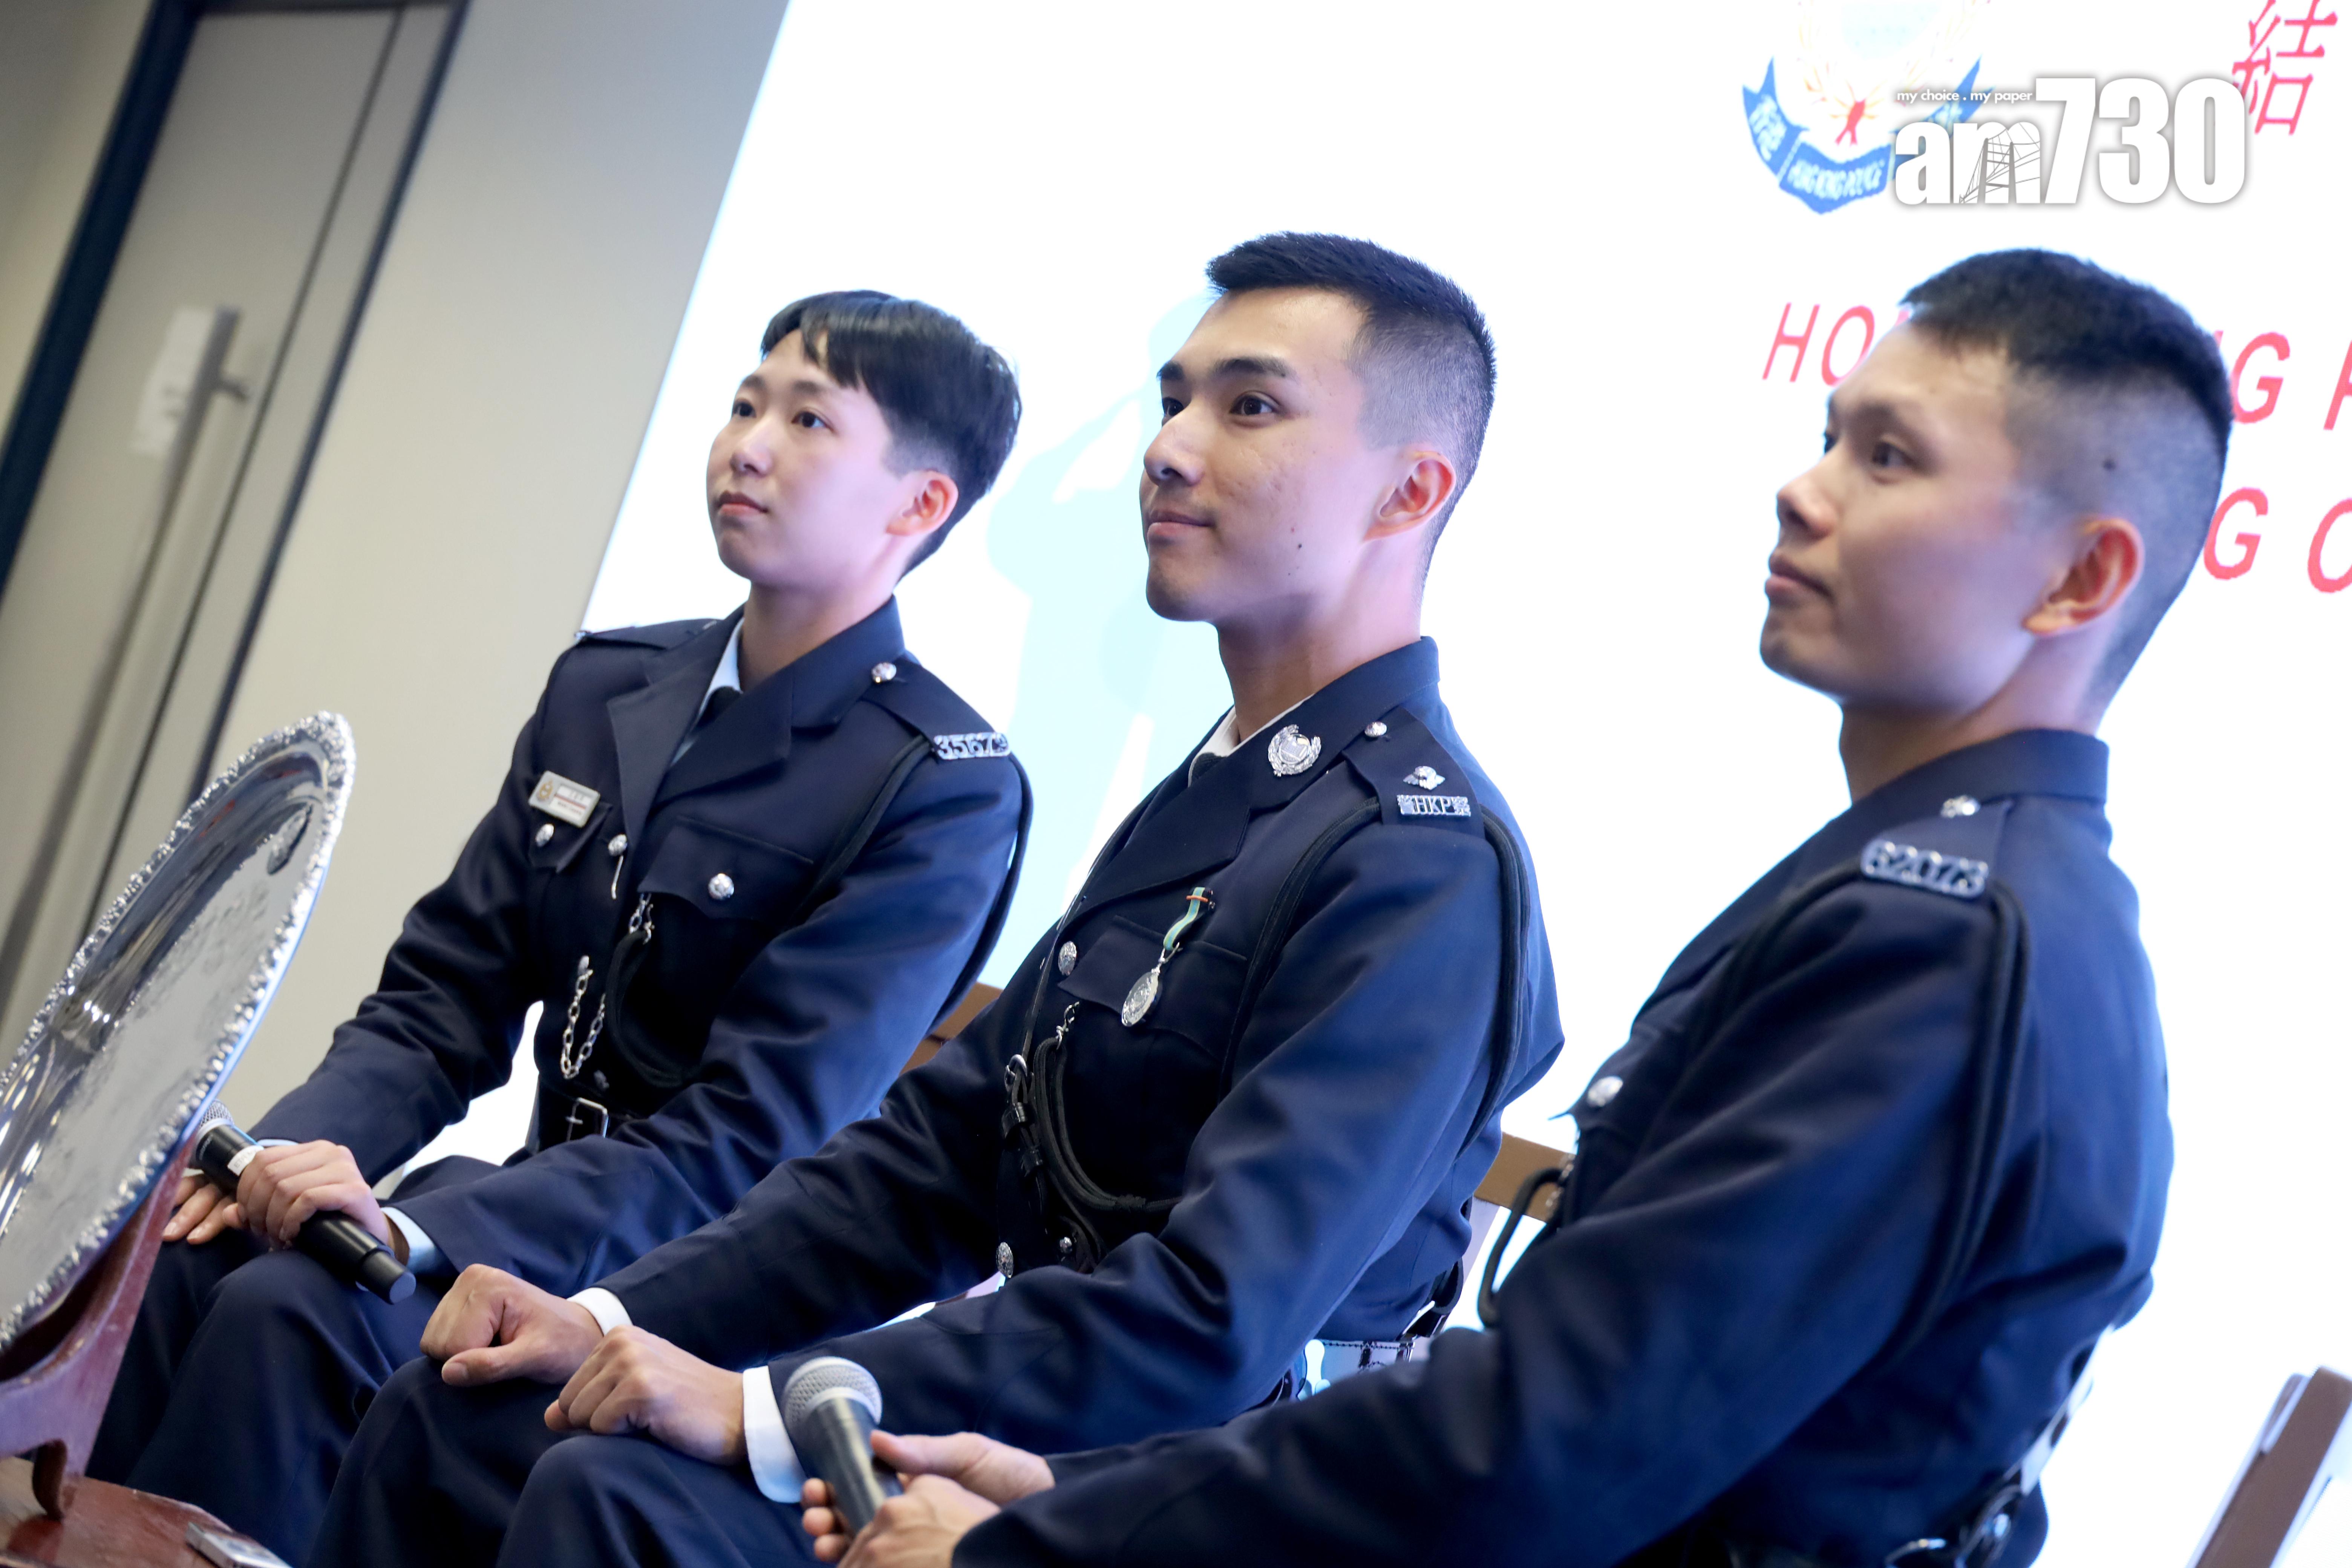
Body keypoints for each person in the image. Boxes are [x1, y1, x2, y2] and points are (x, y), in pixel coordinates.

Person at [800, 248, 2221, 1568]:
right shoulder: (1962, 893)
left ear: (2081, 577)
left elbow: (1546, 1445)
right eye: (1831, 437)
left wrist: (1032, 1551)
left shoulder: (1938, 939)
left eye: (1891, 457)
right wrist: (1078, 1500)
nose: (1804, 490)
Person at [305, 231, 1564, 1568]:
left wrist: (758, 1405)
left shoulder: (1420, 866)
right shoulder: (1223, 795)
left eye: (1248, 406)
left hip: (1180, 1505)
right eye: (1172, 401)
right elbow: (924, 1170)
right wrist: (612, 1321)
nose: (1169, 449)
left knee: (616, 1496)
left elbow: (1208, 1319)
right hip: (1039, 1431)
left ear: (1409, 491)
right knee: (467, 1415)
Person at [89, 290, 1031, 1563]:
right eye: (744, 405)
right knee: (185, 1254)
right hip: (509, 1224)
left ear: (920, 505)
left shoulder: (938, 784)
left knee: (293, 1311)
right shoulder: (610, 686)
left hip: (673, 1295)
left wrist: (419, 1231)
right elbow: (441, 1001)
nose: (748, 446)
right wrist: (285, 1160)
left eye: (809, 422)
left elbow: (745, 1140)